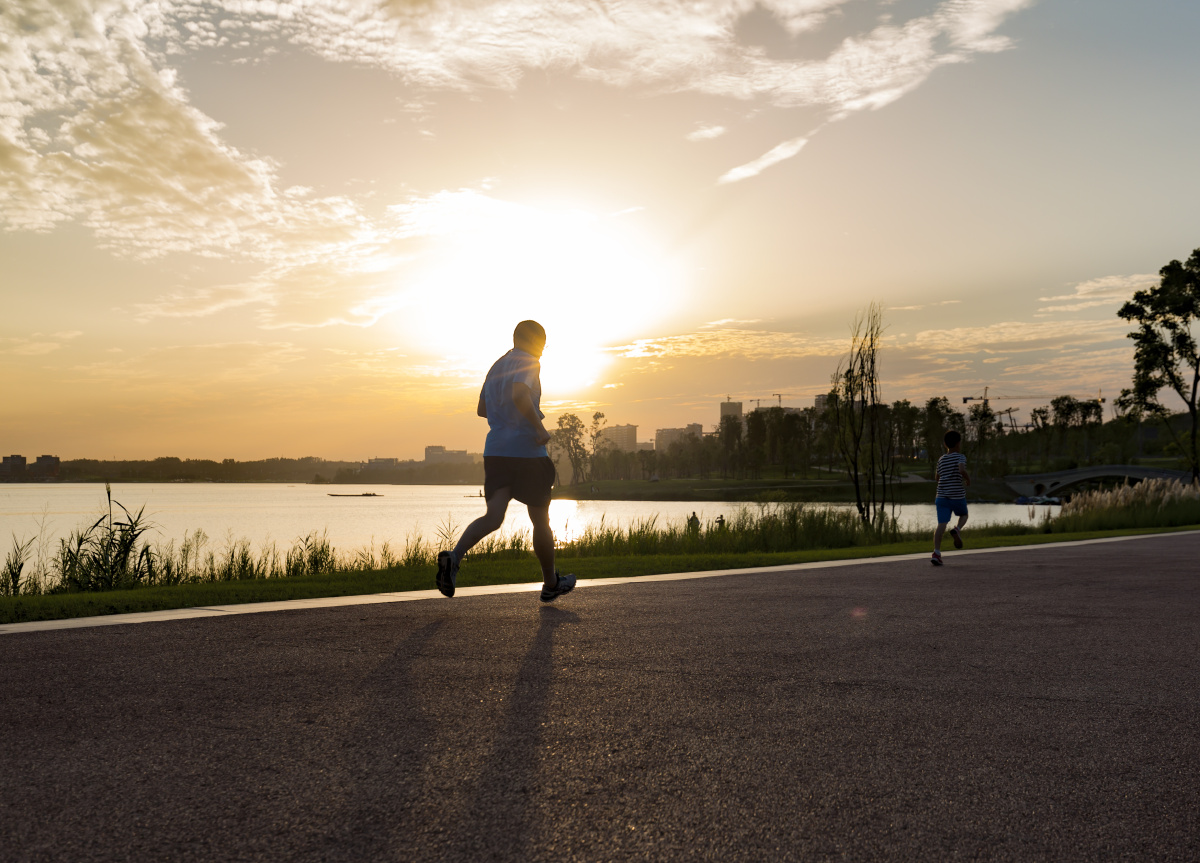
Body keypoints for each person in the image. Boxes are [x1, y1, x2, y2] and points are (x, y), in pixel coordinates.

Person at [435, 321, 576, 602]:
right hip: (527, 453)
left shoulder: (497, 366)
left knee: (493, 516)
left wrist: (505, 418)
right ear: (535, 341)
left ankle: (454, 557)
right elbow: (520, 394)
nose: (544, 350)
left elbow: (481, 409)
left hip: (496, 451)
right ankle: (550, 583)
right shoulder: (530, 362)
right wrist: (537, 427)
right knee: (540, 520)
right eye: (543, 343)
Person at [931, 429, 970, 566]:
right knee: (964, 514)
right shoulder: (960, 457)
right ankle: (957, 529)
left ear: (945, 444)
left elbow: (937, 477)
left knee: (941, 524)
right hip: (957, 495)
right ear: (958, 443)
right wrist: (967, 478)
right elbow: (960, 469)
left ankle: (936, 553)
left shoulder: (941, 459)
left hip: (941, 496)